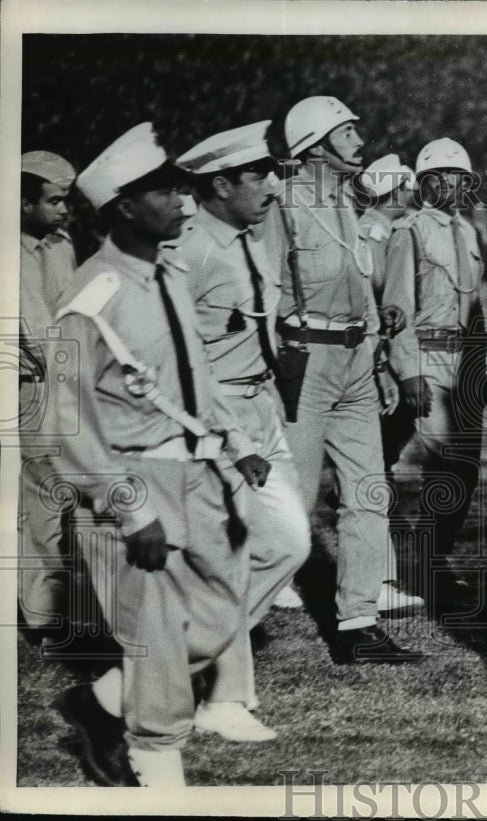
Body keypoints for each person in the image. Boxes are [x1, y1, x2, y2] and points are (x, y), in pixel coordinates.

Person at [51, 123, 271, 785]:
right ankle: (154, 756)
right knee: (153, 628)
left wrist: (237, 441)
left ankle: (100, 703)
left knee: (220, 610)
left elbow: (195, 374)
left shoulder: (168, 274)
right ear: (124, 208)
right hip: (134, 476)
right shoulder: (93, 294)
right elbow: (62, 417)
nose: (182, 201)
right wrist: (124, 504)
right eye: (166, 193)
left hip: (198, 469)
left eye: (180, 189)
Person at [171, 120, 312, 740]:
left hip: (260, 408)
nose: (274, 188)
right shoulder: (190, 248)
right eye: (259, 176)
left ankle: (190, 670)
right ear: (221, 184)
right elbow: (180, 358)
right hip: (219, 416)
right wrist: (231, 437)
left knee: (270, 548)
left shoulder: (248, 237)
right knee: (265, 544)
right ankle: (208, 688)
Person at [277, 96, 422, 661]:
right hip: (304, 361)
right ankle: (229, 614)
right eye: (347, 132)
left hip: (356, 362)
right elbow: (265, 296)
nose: (360, 140)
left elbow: (358, 284)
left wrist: (378, 355)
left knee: (368, 491)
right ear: (315, 145)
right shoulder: (281, 205)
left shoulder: (345, 202)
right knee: (292, 502)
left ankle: (357, 622)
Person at [382, 137, 487, 592]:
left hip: (464, 360)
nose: (450, 185)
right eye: (439, 177)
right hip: (426, 356)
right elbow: (398, 305)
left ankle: (435, 558)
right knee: (437, 461)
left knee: (461, 470)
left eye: (458, 177)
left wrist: (481, 367)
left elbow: (477, 305)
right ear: (424, 185)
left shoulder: (468, 233)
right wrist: (409, 370)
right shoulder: (410, 231)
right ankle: (417, 567)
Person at [355, 153, 425, 613]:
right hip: (376, 369)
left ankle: (376, 576)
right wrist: (399, 374)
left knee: (369, 473)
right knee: (371, 475)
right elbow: (391, 314)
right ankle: (375, 578)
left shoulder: (361, 228)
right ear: (397, 191)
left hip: (363, 364)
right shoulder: (389, 235)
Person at [18, 151, 78, 635]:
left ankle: (49, 603)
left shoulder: (62, 246)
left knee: (55, 496)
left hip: (62, 381)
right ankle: (42, 611)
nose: (64, 210)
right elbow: (35, 333)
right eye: (54, 201)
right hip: (26, 388)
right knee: (40, 497)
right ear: (21, 204)